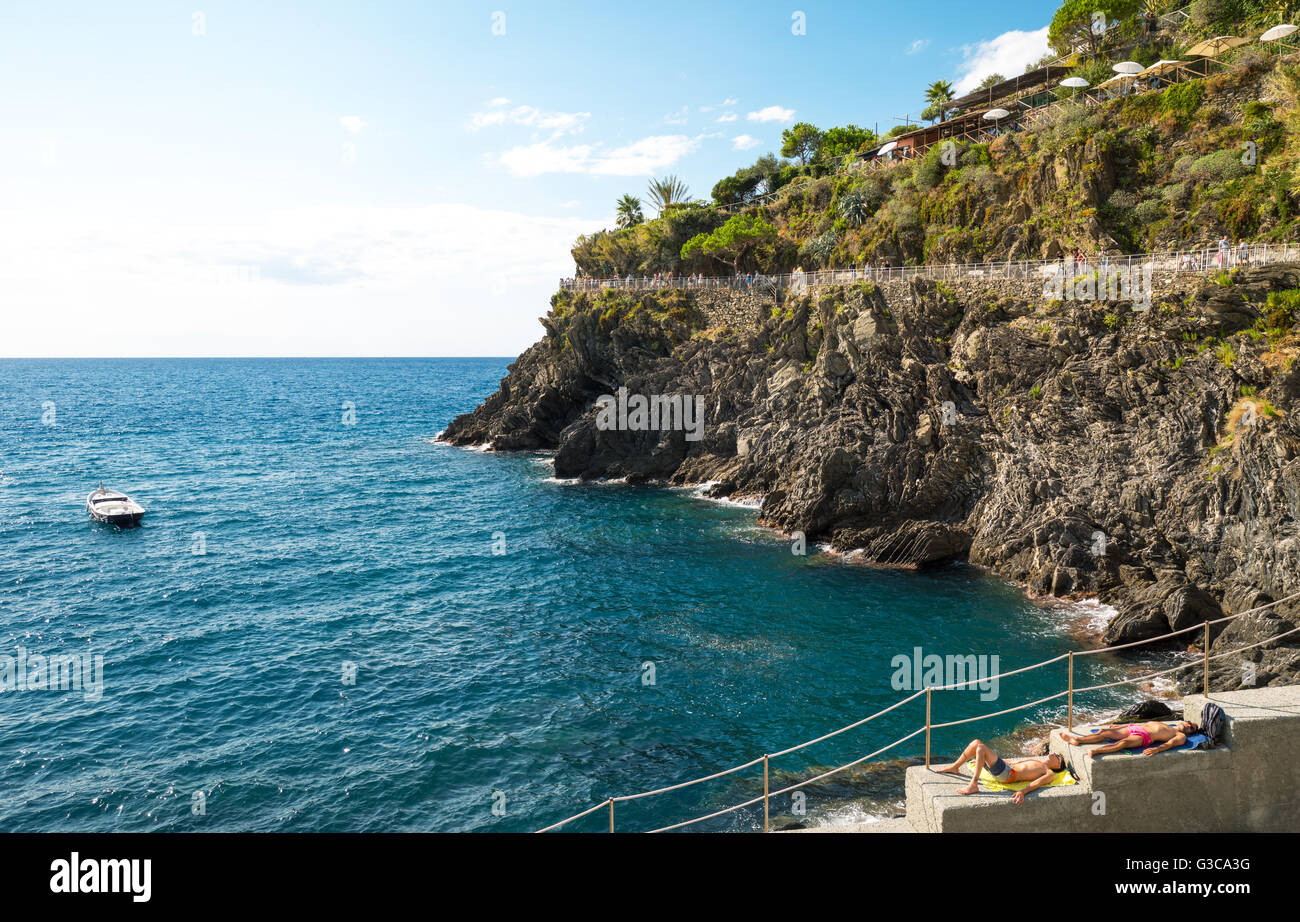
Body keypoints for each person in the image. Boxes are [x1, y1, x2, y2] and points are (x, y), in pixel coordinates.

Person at [936, 740, 1068, 804]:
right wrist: (984, 761)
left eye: (1057, 757)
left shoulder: (1049, 772)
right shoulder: (1038, 762)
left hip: (1008, 775)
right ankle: (955, 767)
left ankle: (973, 784)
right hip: (1004, 767)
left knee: (981, 747)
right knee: (976, 743)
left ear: (1057, 766)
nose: (1054, 754)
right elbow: (1013, 763)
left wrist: (1022, 792)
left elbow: (1037, 784)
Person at [1061, 720, 1197, 758]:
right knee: (1104, 732)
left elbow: (1169, 745)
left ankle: (1097, 751)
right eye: (1189, 723)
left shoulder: (1181, 736)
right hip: (1134, 728)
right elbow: (1143, 724)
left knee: (1123, 743)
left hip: (1144, 737)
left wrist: (1156, 749)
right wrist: (1121, 726)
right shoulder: (1168, 725)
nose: (1188, 726)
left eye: (1191, 728)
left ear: (1190, 732)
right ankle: (1078, 740)